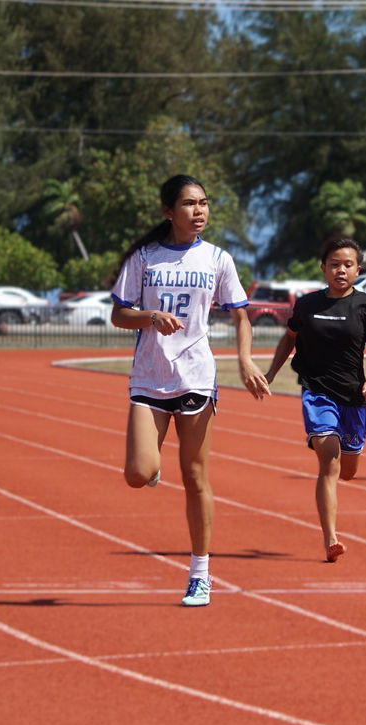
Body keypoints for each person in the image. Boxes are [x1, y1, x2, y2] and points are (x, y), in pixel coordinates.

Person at [110, 174, 270, 608]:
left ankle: (200, 573)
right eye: (188, 204)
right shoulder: (144, 259)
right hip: (149, 377)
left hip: (196, 377)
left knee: (196, 476)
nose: (199, 211)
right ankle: (152, 466)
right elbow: (119, 315)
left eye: (203, 203)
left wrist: (244, 359)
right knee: (137, 474)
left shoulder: (218, 259)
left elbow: (241, 317)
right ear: (168, 211)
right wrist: (150, 317)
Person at [266, 236, 366, 564]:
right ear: (323, 268)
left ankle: (335, 512)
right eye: (334, 264)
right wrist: (270, 374)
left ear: (358, 269)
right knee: (330, 460)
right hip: (317, 391)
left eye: (347, 265)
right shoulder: (308, 305)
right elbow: (289, 338)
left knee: (347, 469)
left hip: (353, 395)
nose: (341, 270)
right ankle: (331, 538)